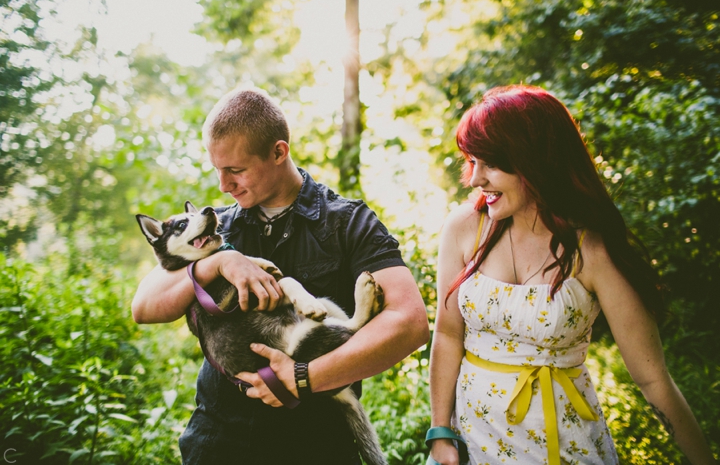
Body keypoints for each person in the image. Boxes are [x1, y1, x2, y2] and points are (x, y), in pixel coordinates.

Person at [131, 87, 429, 464]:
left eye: (235, 170)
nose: (224, 185)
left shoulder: (348, 222)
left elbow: (410, 323)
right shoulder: (215, 231)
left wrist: (305, 377)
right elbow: (143, 307)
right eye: (217, 171)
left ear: (278, 152)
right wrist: (218, 263)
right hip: (218, 443)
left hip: (316, 444)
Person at [427, 85, 717, 465]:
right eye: (472, 162)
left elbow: (653, 379)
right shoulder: (465, 227)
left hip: (561, 446)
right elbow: (448, 334)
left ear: (534, 160)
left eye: (491, 164)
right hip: (473, 443)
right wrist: (440, 433)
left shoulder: (590, 249)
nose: (475, 179)